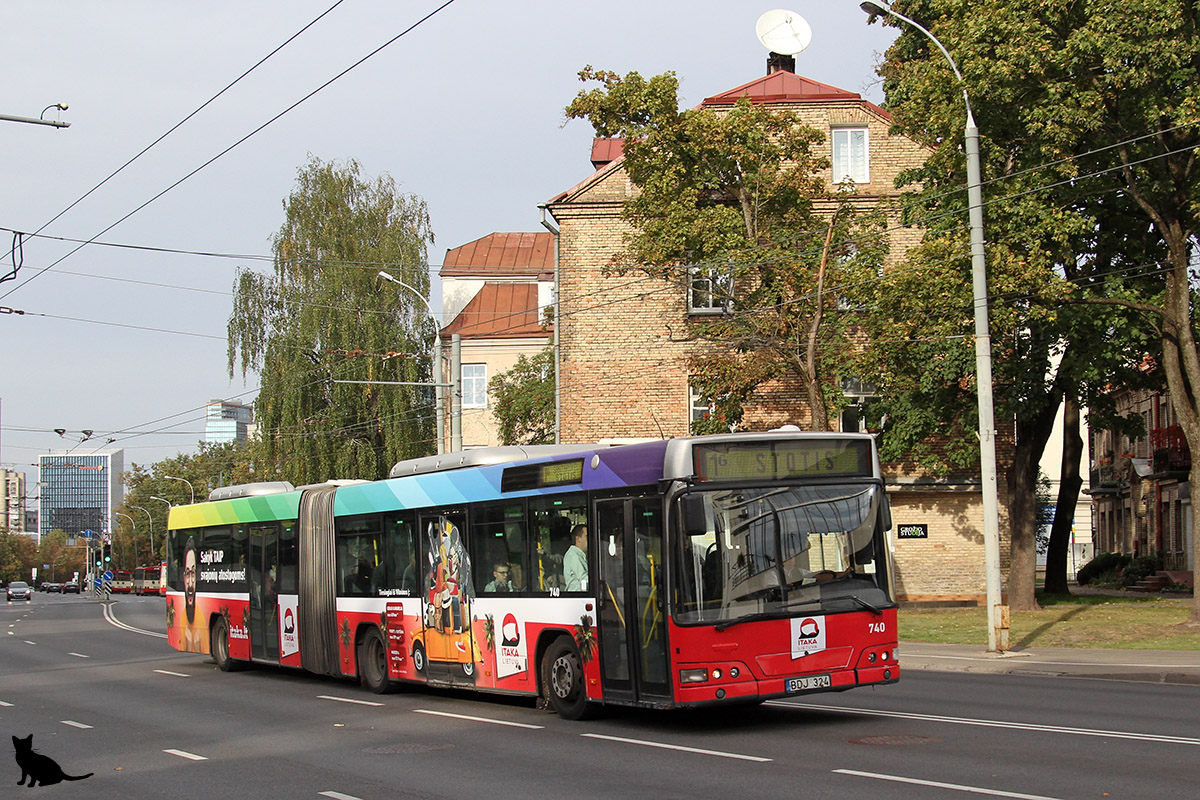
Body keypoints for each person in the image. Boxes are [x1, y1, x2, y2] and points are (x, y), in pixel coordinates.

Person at [563, 523, 588, 592]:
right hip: (578, 597)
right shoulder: (574, 555)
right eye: (586, 536)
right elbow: (584, 578)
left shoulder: (581, 555)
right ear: (578, 539)